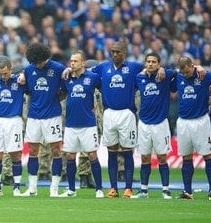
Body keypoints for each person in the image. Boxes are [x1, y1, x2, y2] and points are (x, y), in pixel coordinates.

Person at [63, 41, 152, 198]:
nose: (115, 54)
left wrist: (163, 70)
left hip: (127, 113)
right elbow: (85, 71)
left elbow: (151, 67)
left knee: (127, 151)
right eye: (112, 52)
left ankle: (128, 188)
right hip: (109, 113)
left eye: (118, 52)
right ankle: (113, 188)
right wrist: (70, 68)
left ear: (124, 52)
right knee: (111, 151)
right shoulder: (103, 67)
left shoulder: (133, 67)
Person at [21, 43, 66, 197]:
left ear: (45, 57)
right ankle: (32, 188)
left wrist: (55, 99)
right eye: (34, 63)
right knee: (33, 151)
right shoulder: (28, 70)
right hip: (34, 116)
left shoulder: (59, 68)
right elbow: (27, 90)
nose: (37, 65)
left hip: (53, 116)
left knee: (56, 151)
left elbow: (65, 88)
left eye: (39, 62)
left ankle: (54, 188)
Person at [58, 50, 104, 198]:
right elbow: (62, 93)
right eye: (71, 61)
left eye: (75, 61)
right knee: (70, 156)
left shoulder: (93, 77)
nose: (72, 63)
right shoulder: (66, 78)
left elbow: (104, 90)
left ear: (83, 63)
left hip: (88, 123)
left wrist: (99, 105)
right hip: (71, 124)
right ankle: (71, 189)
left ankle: (99, 189)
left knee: (92, 155)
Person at [131, 53, 175, 199]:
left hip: (160, 123)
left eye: (154, 62)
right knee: (145, 158)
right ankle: (144, 190)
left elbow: (176, 71)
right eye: (148, 61)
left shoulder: (165, 76)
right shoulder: (139, 78)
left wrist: (163, 69)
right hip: (143, 122)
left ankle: (165, 190)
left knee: (162, 158)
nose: (150, 64)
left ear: (158, 63)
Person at [174, 56, 211, 200]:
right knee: (186, 156)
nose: (185, 75)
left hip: (200, 120)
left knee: (207, 155)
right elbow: (165, 74)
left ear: (192, 66)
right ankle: (187, 191)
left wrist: (201, 67)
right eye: (183, 72)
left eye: (187, 71)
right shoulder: (178, 76)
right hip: (183, 121)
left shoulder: (204, 75)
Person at [0, 56, 26, 196]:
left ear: (11, 69)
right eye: (0, 73)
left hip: (14, 120)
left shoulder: (19, 81)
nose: (3, 76)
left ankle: (16, 187)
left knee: (15, 154)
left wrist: (22, 74)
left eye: (5, 73)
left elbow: (29, 71)